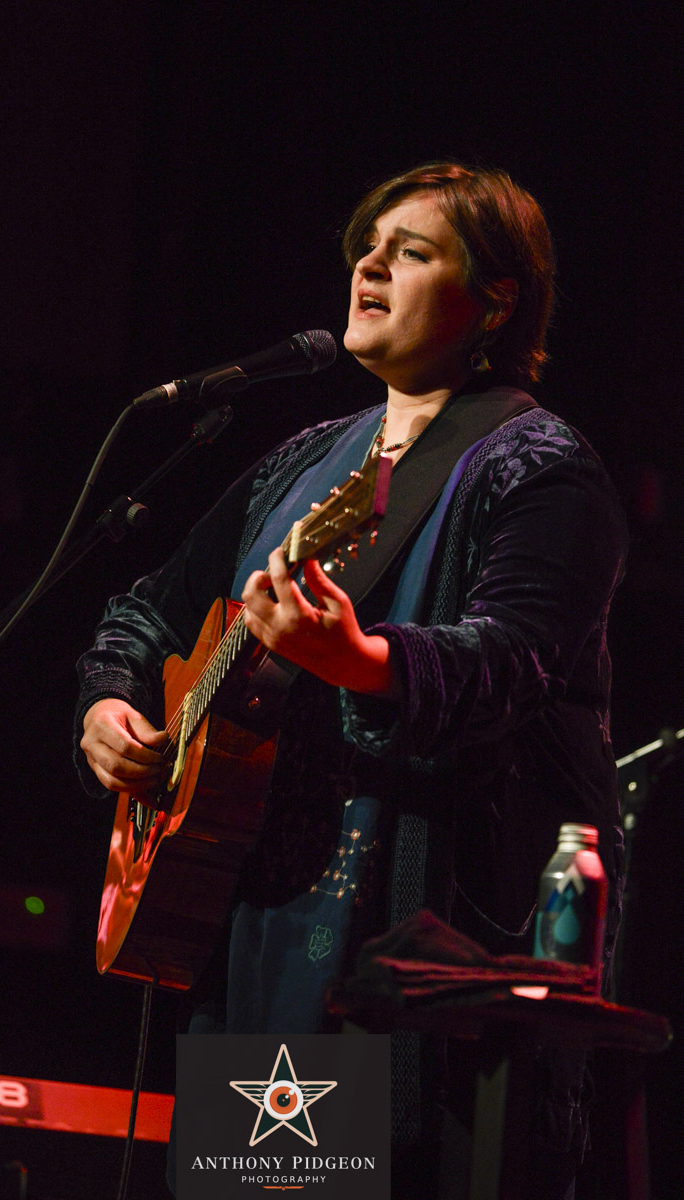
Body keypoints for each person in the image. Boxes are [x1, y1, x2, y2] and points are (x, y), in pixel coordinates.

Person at [75, 162, 626, 1197]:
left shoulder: (540, 467)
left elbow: (519, 658)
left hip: (424, 948)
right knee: (264, 1187)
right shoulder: (303, 462)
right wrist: (107, 706)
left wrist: (363, 661)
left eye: (412, 251)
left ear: (496, 297)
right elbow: (146, 610)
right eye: (366, 247)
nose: (369, 263)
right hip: (264, 929)